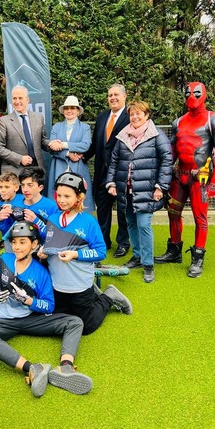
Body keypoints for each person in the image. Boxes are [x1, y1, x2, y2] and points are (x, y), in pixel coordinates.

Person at [0, 221, 93, 397]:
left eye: (22, 242)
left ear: (34, 245)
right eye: (14, 242)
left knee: (74, 322)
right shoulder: (4, 258)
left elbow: (49, 305)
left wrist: (28, 300)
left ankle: (65, 368)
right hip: (2, 321)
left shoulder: (41, 272)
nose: (17, 247)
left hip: (30, 319)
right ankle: (33, 368)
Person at [38, 172, 133, 335]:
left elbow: (100, 252)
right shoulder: (52, 219)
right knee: (59, 323)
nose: (61, 200)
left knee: (85, 327)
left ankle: (108, 297)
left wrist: (75, 255)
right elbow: (49, 244)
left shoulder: (89, 222)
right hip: (57, 285)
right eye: (59, 195)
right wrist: (43, 252)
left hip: (79, 285)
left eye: (67, 196)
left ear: (79, 197)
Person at [154, 82, 215, 278]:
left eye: (196, 93)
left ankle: (198, 258)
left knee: (200, 218)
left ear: (204, 95)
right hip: (180, 175)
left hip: (200, 178)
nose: (191, 96)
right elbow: (171, 151)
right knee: (173, 212)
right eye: (188, 92)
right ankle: (174, 250)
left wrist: (214, 182)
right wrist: (165, 175)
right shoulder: (178, 122)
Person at [106, 101, 173, 283]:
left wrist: (161, 186)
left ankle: (148, 264)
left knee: (144, 224)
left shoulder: (156, 135)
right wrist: (111, 183)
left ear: (147, 115)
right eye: (132, 114)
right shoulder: (122, 136)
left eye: (139, 114)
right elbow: (113, 162)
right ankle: (137, 257)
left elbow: (167, 161)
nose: (135, 117)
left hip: (147, 190)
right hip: (125, 189)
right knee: (130, 223)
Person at [84, 83, 131, 257]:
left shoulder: (130, 117)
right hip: (102, 173)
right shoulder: (102, 117)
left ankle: (123, 242)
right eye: (110, 95)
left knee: (122, 210)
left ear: (124, 96)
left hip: (122, 173)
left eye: (116, 95)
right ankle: (103, 240)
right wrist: (81, 156)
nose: (112, 98)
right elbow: (96, 144)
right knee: (102, 209)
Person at [0, 85, 61, 175]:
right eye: (14, 98)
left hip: (36, 169)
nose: (17, 102)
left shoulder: (38, 117)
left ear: (27, 100)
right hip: (14, 171)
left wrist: (50, 144)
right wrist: (19, 158)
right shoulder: (4, 121)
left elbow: (41, 141)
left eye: (20, 98)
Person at [47, 95, 94, 211]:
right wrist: (68, 154)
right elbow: (52, 148)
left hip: (78, 167)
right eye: (67, 108)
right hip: (58, 166)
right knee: (58, 198)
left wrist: (63, 145)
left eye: (72, 108)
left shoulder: (85, 128)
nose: (69, 111)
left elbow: (85, 145)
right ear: (63, 111)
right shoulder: (56, 127)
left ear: (78, 111)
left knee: (78, 198)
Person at [0, 166, 58, 245]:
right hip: (18, 251)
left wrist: (37, 221)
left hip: (41, 252)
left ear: (40, 187)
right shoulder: (15, 206)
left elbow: (55, 237)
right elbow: (8, 236)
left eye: (30, 185)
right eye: (23, 185)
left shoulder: (52, 207)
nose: (25, 189)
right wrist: (0, 221)